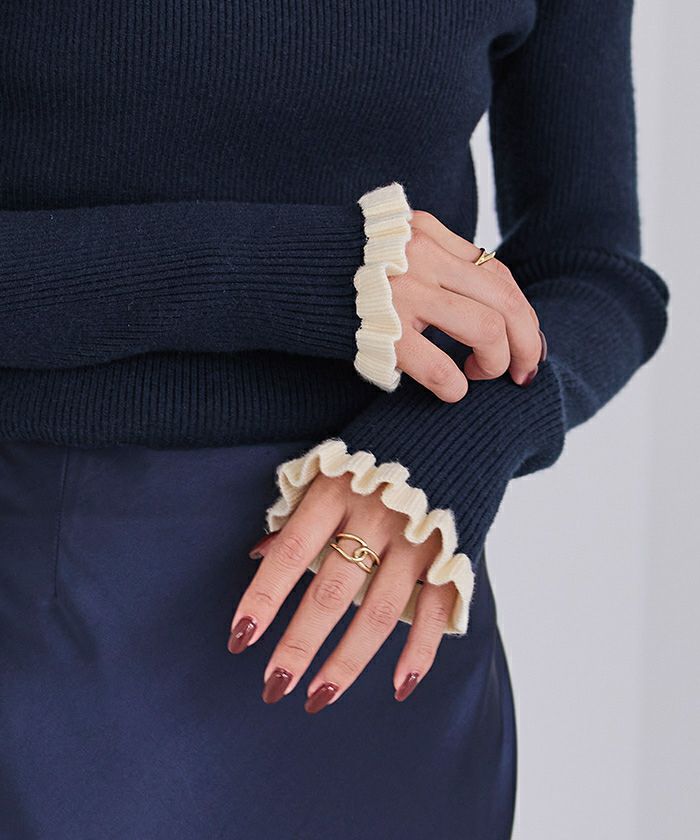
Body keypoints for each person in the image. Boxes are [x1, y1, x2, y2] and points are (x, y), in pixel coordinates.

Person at [0, 2, 669, 838]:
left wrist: (456, 442)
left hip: (386, 581)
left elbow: (593, 266)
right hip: (44, 580)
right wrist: (296, 275)